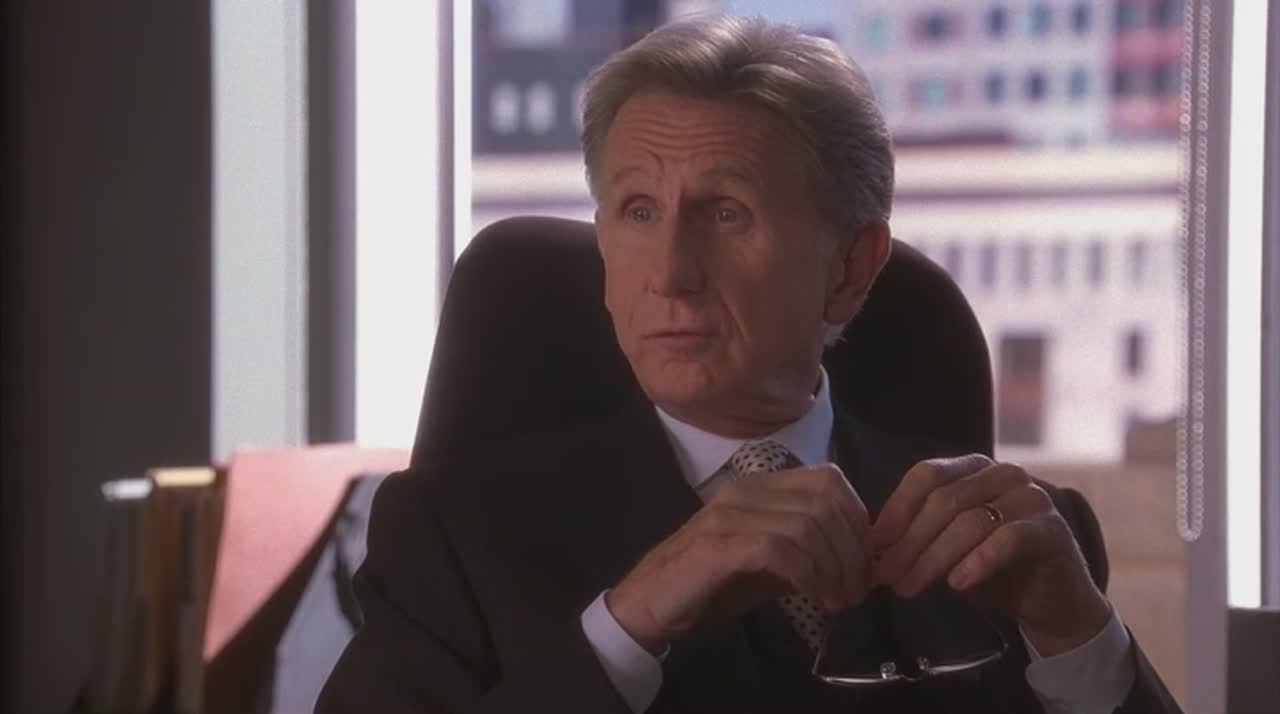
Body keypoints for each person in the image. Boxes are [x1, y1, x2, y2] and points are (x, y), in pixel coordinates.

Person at [317, 16, 1180, 714]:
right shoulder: (456, 537)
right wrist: (627, 626)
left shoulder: (1017, 542)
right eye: (639, 211)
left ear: (849, 267)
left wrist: (1081, 641)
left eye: (726, 214)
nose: (670, 273)